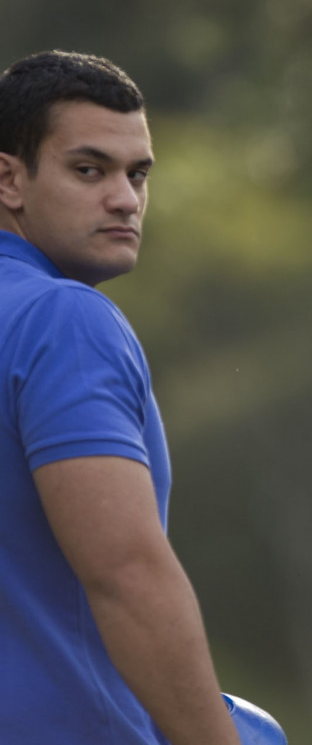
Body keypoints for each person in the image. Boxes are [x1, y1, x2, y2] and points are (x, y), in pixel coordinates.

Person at [0, 51, 241, 744]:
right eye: (89, 169)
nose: (125, 199)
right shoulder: (62, 319)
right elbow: (126, 573)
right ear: (9, 178)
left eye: (138, 174)